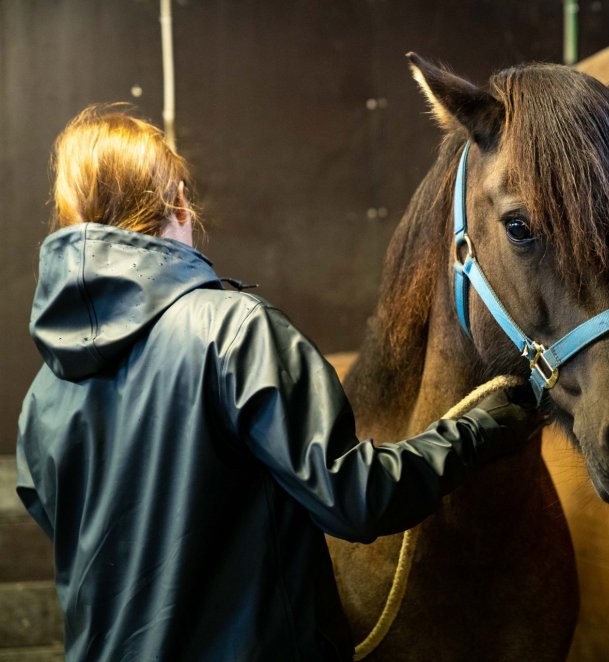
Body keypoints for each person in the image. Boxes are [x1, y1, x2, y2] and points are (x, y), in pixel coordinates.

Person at [15, 104, 543, 661]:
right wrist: (473, 434)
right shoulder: (233, 333)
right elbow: (355, 500)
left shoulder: (39, 402)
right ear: (176, 204)